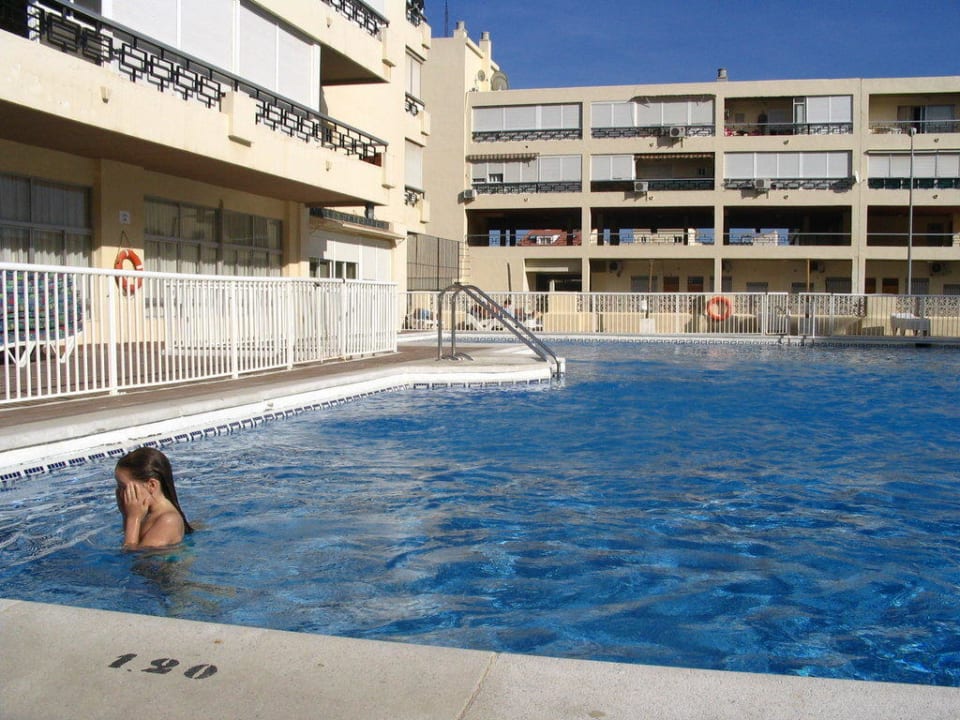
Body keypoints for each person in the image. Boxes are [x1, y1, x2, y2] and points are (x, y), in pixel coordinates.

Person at [114, 447, 193, 549]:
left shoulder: (168, 520)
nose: (119, 493)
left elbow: (134, 560)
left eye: (123, 487)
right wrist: (126, 515)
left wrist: (133, 519)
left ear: (151, 485)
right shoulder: (144, 512)